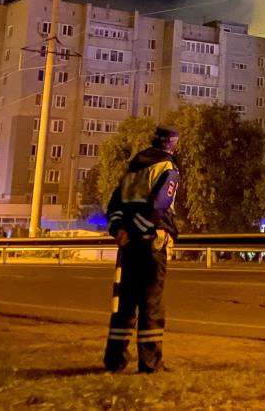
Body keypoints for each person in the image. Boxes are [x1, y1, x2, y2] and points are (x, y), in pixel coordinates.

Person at [104, 126, 180, 373]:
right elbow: (159, 205)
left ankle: (115, 359)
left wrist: (119, 230)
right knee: (151, 303)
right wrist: (136, 231)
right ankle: (150, 362)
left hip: (128, 244)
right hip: (151, 242)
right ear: (172, 144)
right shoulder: (167, 168)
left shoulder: (133, 167)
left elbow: (115, 203)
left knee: (124, 302)